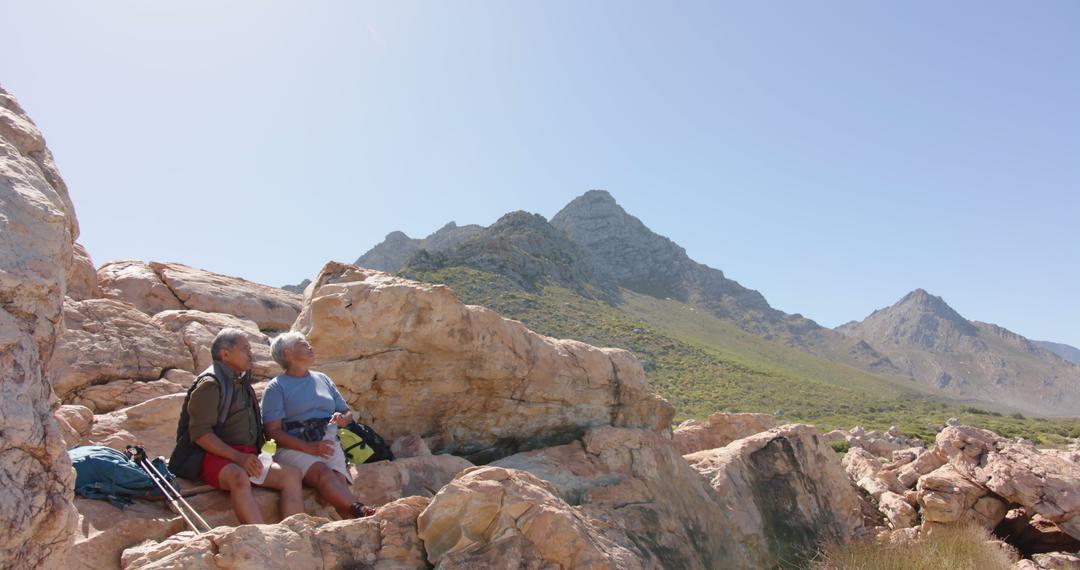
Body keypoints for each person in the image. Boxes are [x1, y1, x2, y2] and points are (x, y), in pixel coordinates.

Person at [174, 328, 304, 524]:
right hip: (211, 455)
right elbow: (200, 434)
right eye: (245, 349)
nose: (250, 353)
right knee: (238, 477)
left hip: (246, 455)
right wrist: (239, 458)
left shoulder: (240, 380)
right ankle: (262, 537)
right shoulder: (210, 383)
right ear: (225, 354)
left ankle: (296, 531)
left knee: (291, 475)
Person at [262, 331, 377, 518]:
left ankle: (358, 526)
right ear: (287, 354)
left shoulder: (322, 379)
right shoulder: (276, 388)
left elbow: (347, 412)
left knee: (338, 482)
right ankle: (360, 509)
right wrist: (309, 447)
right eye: (302, 343)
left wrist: (343, 418)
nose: (310, 346)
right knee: (324, 474)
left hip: (328, 442)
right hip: (295, 447)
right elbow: (273, 432)